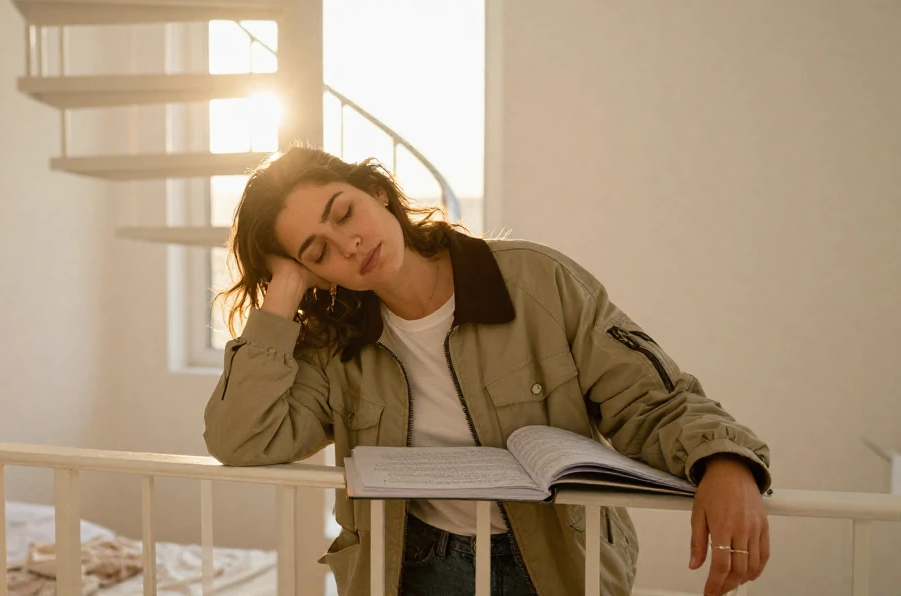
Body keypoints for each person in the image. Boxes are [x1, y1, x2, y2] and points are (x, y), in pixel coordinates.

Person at [203, 146, 770, 596]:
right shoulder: (333, 347)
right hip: (412, 569)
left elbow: (652, 399)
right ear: (315, 275)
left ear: (379, 193)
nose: (349, 244)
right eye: (318, 251)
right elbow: (242, 440)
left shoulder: (537, 282)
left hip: (557, 565)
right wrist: (280, 303)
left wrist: (723, 460)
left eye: (345, 213)